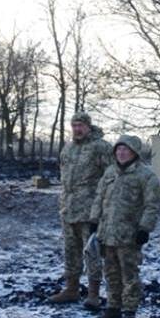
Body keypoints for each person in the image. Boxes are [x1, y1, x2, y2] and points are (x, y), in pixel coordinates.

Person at [89, 135, 160, 318]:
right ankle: (113, 306)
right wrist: (94, 221)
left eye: (126, 149)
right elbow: (99, 197)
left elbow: (152, 205)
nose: (121, 153)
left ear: (134, 152)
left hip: (129, 235)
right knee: (111, 272)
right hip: (107, 232)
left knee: (129, 275)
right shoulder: (110, 172)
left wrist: (145, 228)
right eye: (118, 149)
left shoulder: (146, 176)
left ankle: (129, 310)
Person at [50, 112, 113, 308]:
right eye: (74, 125)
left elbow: (111, 176)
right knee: (70, 250)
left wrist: (104, 206)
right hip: (68, 209)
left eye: (81, 125)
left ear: (88, 126)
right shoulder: (68, 148)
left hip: (90, 210)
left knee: (91, 251)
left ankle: (93, 293)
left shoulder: (101, 147)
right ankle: (71, 288)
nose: (77, 129)